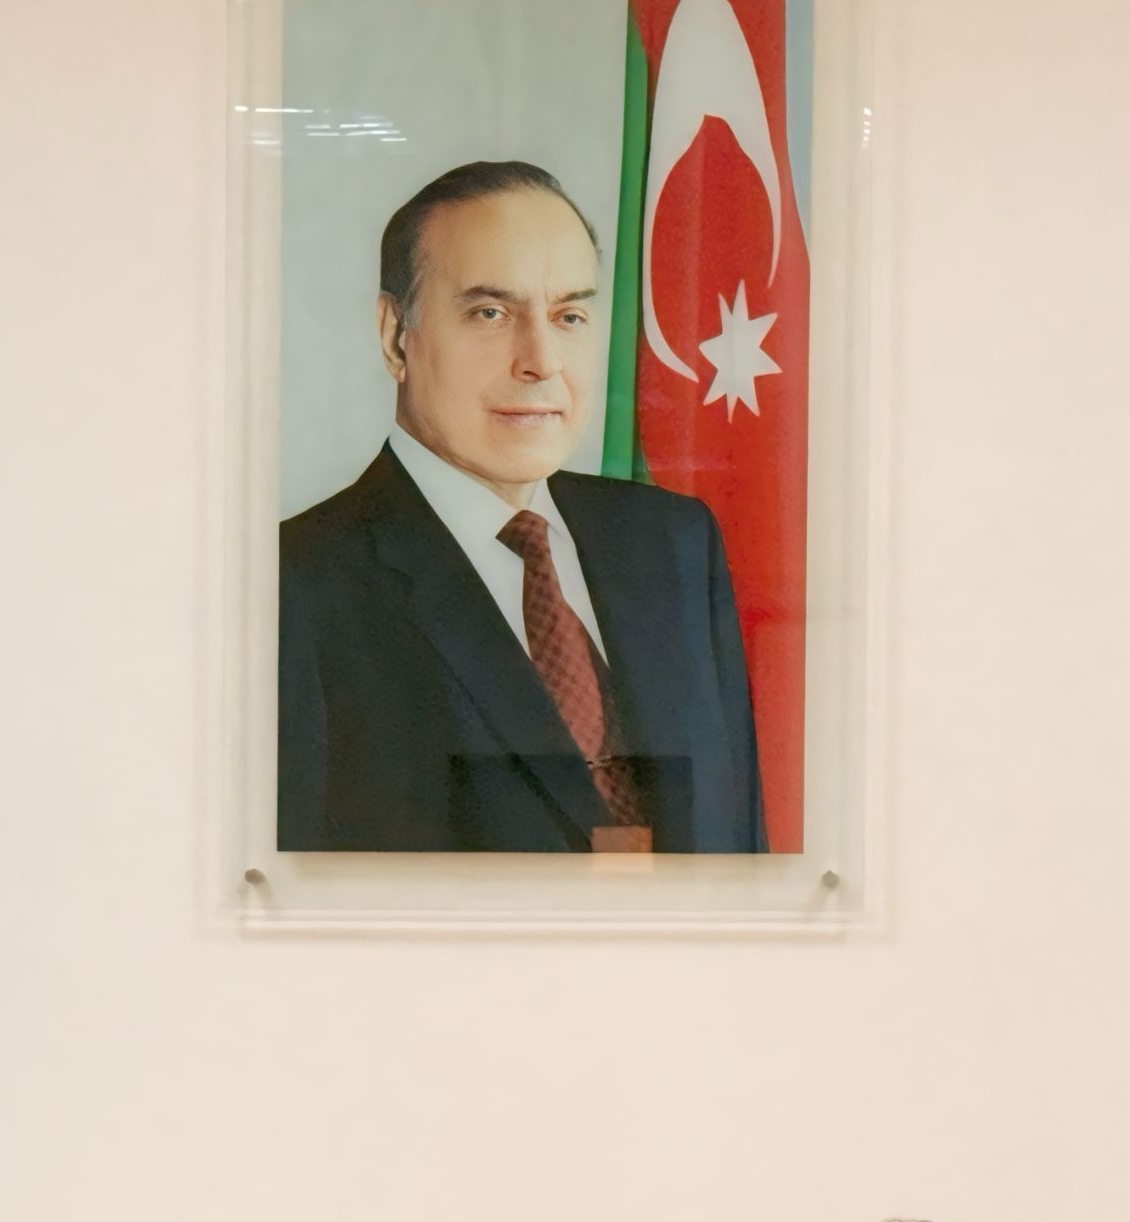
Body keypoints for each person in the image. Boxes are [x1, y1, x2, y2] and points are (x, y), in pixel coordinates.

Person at [279, 159, 767, 855]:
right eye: (491, 313)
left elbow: (740, 845)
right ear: (394, 336)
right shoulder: (294, 588)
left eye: (569, 316)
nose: (541, 360)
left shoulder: (674, 543)